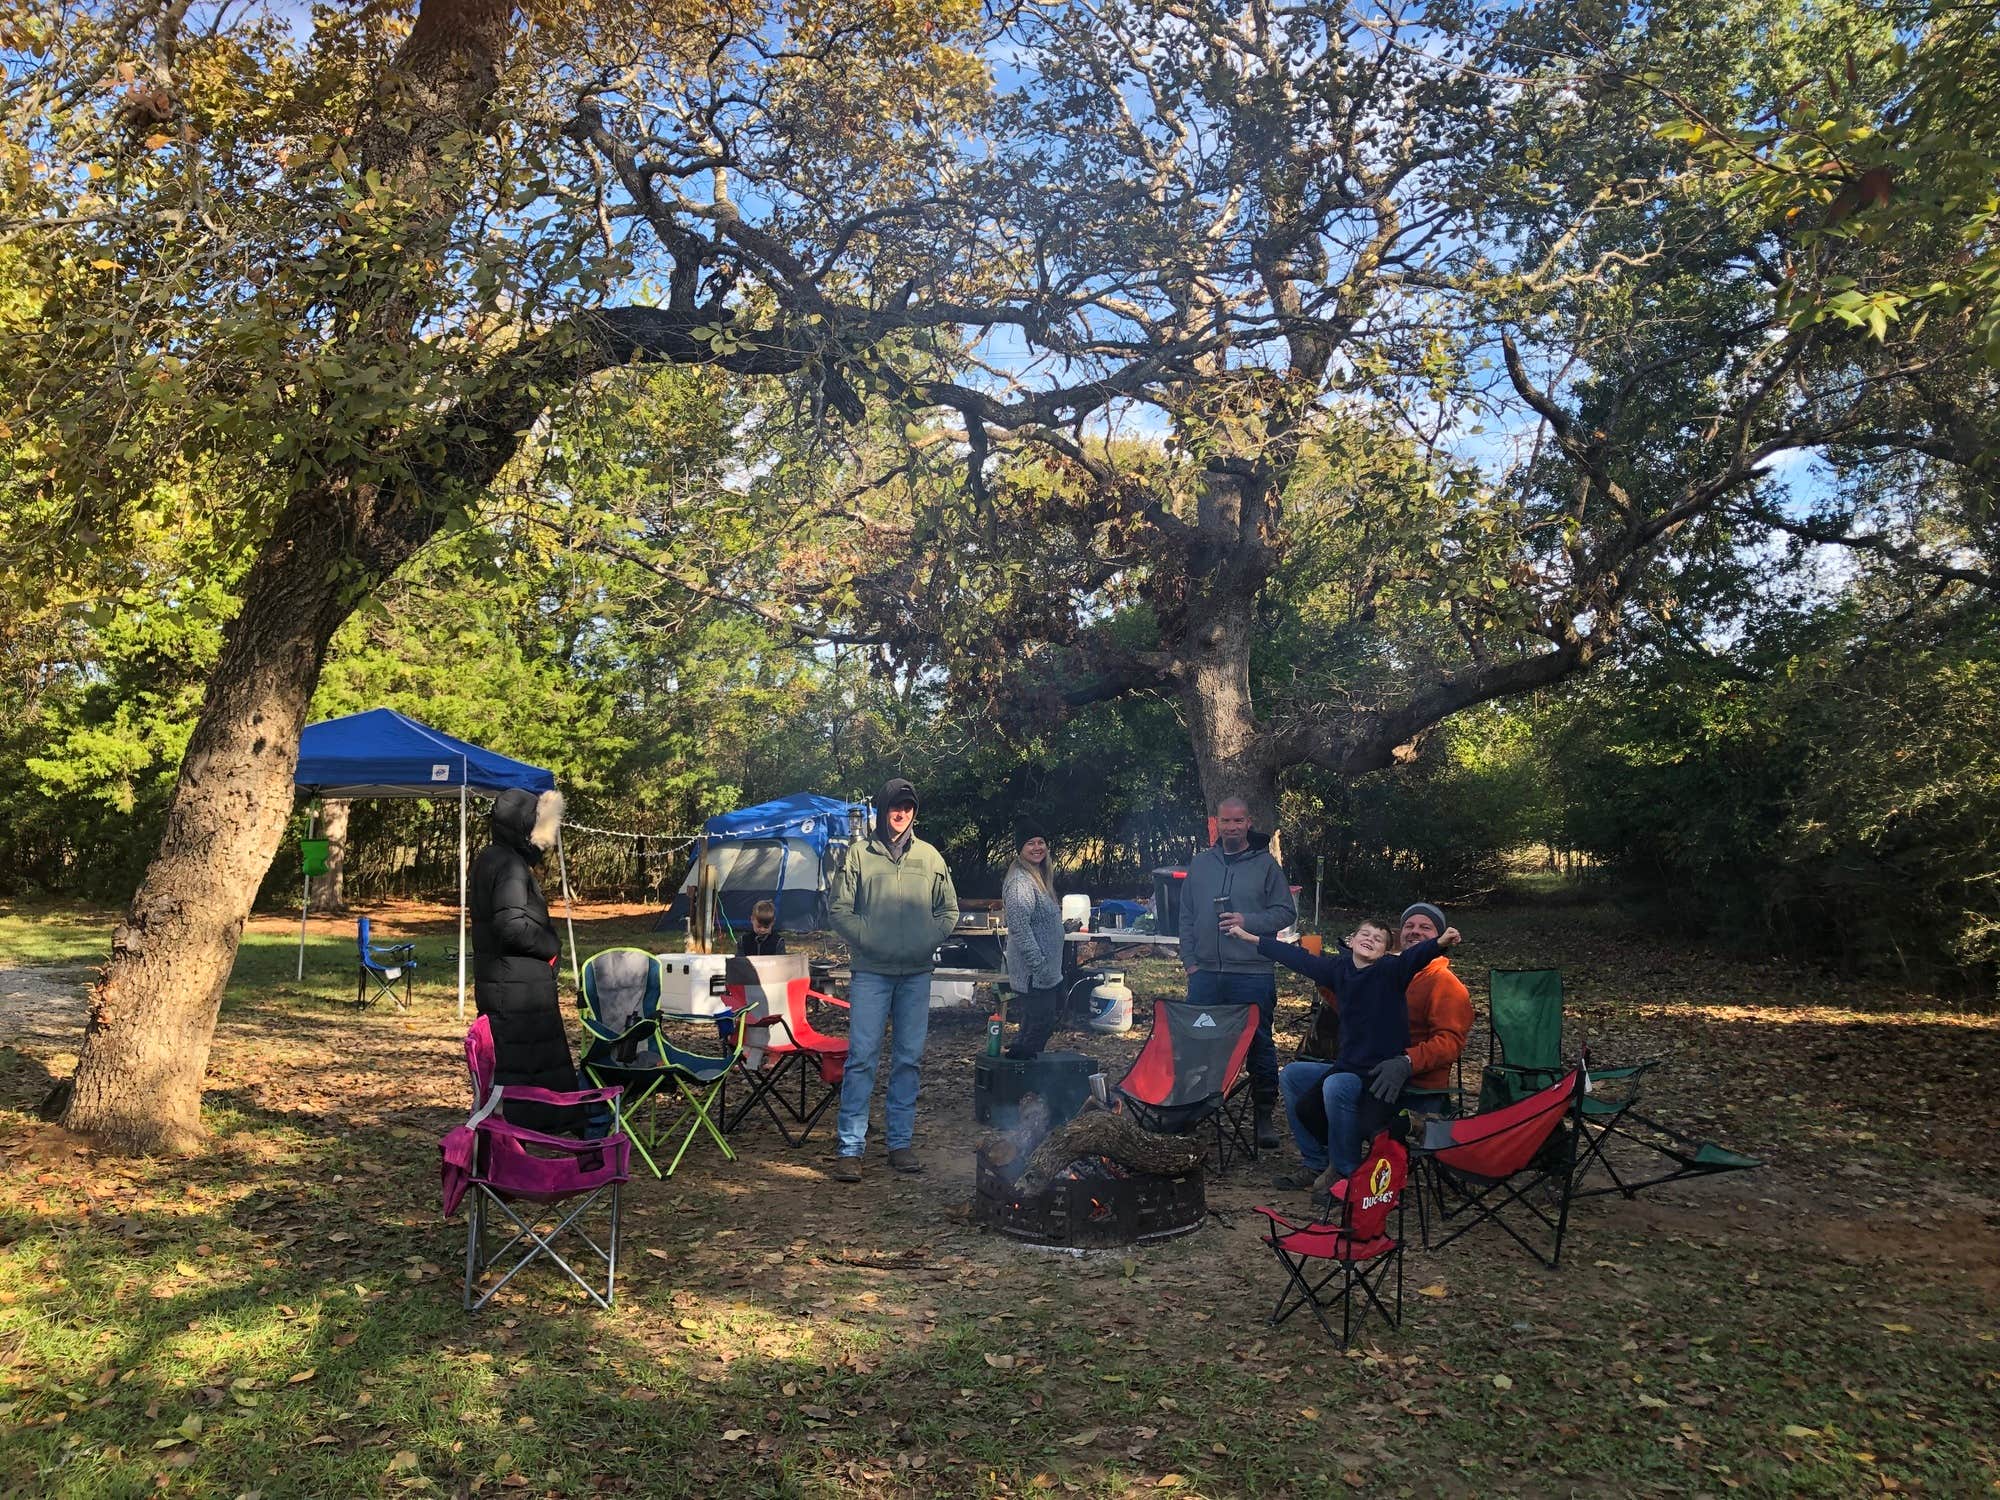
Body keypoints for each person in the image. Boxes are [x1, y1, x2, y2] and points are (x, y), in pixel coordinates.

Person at [1268, 901, 1472, 1190]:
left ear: (1438, 936)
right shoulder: (1384, 969)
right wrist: (1329, 978)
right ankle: (1317, 1162)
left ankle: (1347, 1175)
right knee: (1293, 1075)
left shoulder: (1443, 983)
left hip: (1412, 1082)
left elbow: (1450, 1042)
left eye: (1425, 927)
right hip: (1367, 1067)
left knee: (1337, 1084)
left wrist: (1407, 1061)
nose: (1415, 931)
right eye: (1409, 926)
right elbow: (1354, 1012)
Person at [825, 777, 960, 1181]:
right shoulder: (858, 855)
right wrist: (871, 939)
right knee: (862, 1059)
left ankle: (900, 1143)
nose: (900, 814)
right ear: (882, 811)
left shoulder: (930, 857)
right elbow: (839, 909)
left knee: (908, 1060)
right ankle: (851, 1148)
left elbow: (949, 910)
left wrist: (926, 939)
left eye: (907, 807)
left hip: (916, 973)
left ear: (914, 812)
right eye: (894, 807)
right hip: (871, 973)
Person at [1178, 796, 1297, 1148]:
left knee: (1259, 1044)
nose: (1231, 827)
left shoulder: (1266, 866)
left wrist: (1249, 920)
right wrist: (1190, 961)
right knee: (1198, 1042)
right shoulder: (1201, 864)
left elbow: (1285, 912)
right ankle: (1192, 1109)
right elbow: (1186, 915)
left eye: (1238, 821)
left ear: (1248, 823)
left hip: (1252, 973)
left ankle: (1263, 1116)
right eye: (1225, 821)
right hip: (1205, 973)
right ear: (1216, 823)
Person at [469, 787, 583, 1133]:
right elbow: (511, 925)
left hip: (512, 984)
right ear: (523, 825)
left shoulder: (493, 859)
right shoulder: (509, 865)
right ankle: (530, 1127)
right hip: (516, 990)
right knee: (521, 1065)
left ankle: (526, 1127)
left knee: (521, 1065)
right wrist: (549, 946)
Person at [1001, 820, 1065, 1059]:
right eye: (1030, 843)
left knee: (1033, 1027)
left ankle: (1018, 1069)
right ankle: (1020, 1071)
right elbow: (1019, 929)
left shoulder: (1038, 877)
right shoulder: (1020, 883)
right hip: (1034, 974)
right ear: (1020, 848)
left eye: (1041, 842)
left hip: (1045, 973)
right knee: (1039, 1026)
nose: (1037, 847)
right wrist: (1038, 965)